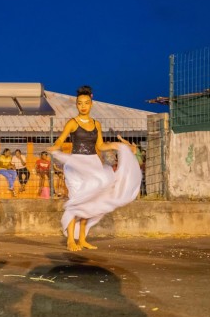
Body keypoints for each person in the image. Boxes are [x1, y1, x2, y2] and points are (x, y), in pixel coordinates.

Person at [48, 85, 141, 251]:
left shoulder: (97, 124)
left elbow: (100, 145)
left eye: (86, 103)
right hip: (77, 165)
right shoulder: (72, 123)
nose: (83, 106)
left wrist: (118, 146)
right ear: (76, 105)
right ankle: (71, 239)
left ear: (91, 104)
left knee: (90, 202)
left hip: (92, 164)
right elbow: (60, 140)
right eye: (79, 103)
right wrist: (55, 148)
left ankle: (82, 239)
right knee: (76, 202)